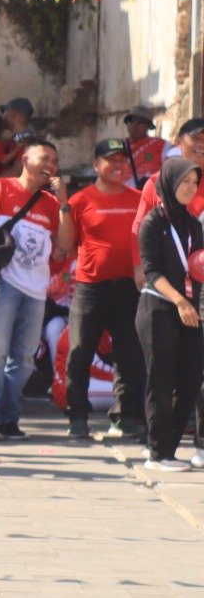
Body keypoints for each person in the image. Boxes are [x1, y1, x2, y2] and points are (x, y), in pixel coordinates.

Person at [0, 139, 68, 441]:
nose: (50, 164)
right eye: (44, 157)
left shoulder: (51, 205)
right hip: (1, 283)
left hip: (36, 291)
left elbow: (64, 246)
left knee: (23, 359)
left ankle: (9, 417)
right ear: (25, 159)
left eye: (55, 160)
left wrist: (64, 203)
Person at [56, 139, 145, 441]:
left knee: (130, 355)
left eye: (122, 159)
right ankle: (77, 416)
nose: (118, 165)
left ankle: (125, 417)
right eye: (110, 160)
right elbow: (66, 245)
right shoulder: (81, 200)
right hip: (91, 288)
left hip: (130, 289)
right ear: (96, 165)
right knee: (80, 352)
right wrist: (64, 207)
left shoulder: (138, 198)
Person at [134, 158, 204, 471]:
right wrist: (180, 301)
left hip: (189, 309)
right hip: (159, 307)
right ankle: (156, 453)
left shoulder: (194, 224)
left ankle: (169, 448)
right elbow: (151, 272)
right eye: (184, 181)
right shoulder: (153, 222)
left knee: (190, 380)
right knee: (160, 381)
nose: (190, 188)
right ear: (169, 183)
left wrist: (191, 303)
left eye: (194, 182)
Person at [124, 110, 165, 187]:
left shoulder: (160, 145)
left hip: (148, 195)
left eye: (140, 121)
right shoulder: (118, 146)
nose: (135, 124)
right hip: (120, 195)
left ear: (148, 126)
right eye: (131, 120)